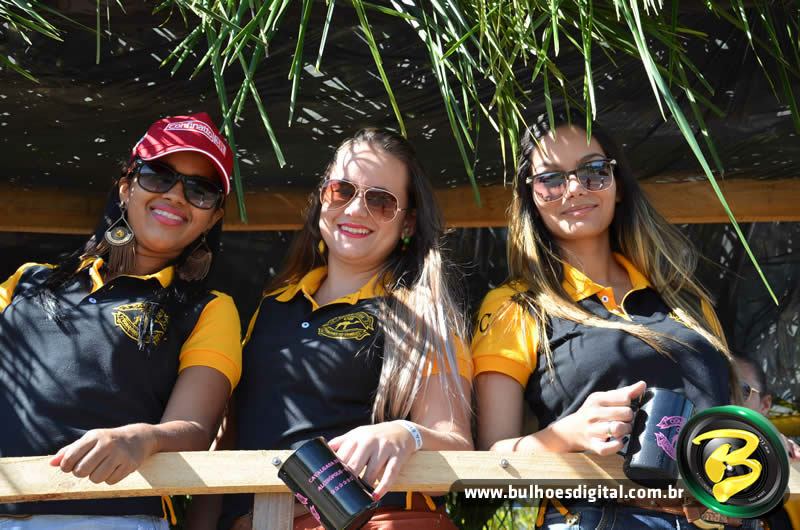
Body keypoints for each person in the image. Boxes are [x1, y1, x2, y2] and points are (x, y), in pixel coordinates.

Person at [472, 113, 745, 528]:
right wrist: (565, 436)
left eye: (594, 170)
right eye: (550, 179)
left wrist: (763, 441)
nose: (575, 188)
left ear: (618, 186)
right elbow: (487, 465)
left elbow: (728, 417)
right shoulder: (514, 305)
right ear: (531, 198)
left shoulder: (687, 301)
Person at [217, 128, 473, 530]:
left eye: (381, 200)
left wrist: (406, 433)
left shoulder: (422, 315)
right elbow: (227, 440)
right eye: (342, 191)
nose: (355, 210)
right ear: (323, 196)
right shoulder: (271, 306)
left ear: (408, 223)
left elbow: (458, 450)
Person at [0, 113, 242, 529]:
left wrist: (140, 438)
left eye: (200, 190)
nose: (176, 195)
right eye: (159, 176)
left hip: (113, 515)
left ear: (214, 217)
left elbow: (195, 429)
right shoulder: (26, 280)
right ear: (127, 186)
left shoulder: (210, 308)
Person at [734, 355, 800, 529]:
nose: (728, 400)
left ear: (765, 404)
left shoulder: (791, 466)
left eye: (741, 391)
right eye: (718, 390)